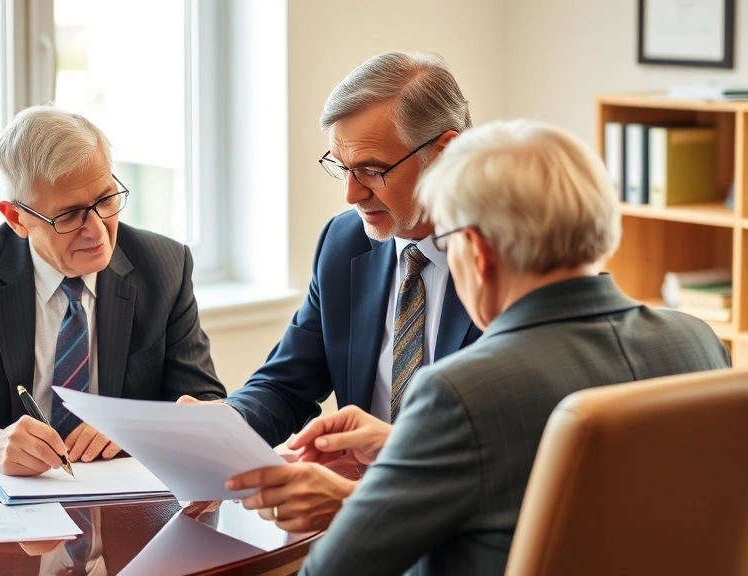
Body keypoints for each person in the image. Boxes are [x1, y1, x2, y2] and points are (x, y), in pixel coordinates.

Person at [290, 119, 732, 576]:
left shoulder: (462, 391)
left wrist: (367, 498)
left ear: (478, 253)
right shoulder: (699, 344)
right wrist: (403, 459)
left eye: (447, 241)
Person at [186, 51, 482, 531]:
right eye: (340, 166)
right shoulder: (344, 243)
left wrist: (368, 492)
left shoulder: (510, 258)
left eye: (371, 169)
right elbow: (287, 382)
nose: (351, 193)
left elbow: (513, 444)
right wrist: (224, 425)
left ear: (445, 153)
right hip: (360, 536)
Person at [0, 106, 226, 476]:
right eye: (70, 215)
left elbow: (207, 407)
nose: (97, 230)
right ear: (16, 218)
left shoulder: (163, 267)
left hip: (126, 510)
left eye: (106, 200)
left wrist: (135, 428)